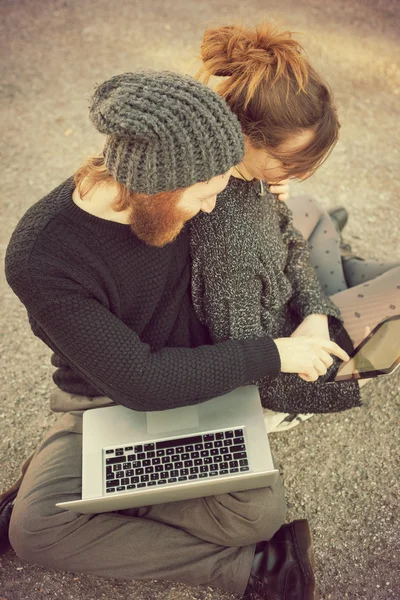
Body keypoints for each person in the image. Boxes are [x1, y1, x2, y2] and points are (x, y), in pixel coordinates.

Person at [2, 71, 349, 599]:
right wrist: (276, 354)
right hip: (108, 396)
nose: (211, 208)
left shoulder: (187, 181)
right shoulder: (43, 257)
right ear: (155, 187)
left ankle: (84, 488)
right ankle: (245, 569)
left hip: (200, 394)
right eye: (204, 195)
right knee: (38, 531)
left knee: (258, 512)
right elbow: (141, 383)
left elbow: (273, 220)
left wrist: (270, 195)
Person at [191, 22, 400, 430]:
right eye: (289, 162)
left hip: (300, 311)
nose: (297, 173)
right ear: (248, 137)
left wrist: (317, 309)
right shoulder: (230, 240)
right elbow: (249, 362)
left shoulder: (244, 174)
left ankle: (339, 276)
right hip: (298, 354)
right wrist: (316, 328)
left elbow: (286, 234)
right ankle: (343, 275)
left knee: (312, 217)